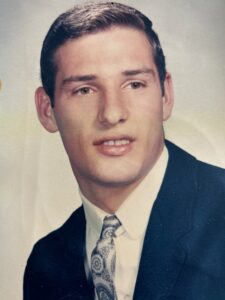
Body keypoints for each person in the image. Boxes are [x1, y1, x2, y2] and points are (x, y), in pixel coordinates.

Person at [23, 2, 225, 300]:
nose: (112, 113)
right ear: (47, 110)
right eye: (84, 90)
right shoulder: (45, 263)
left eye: (134, 84)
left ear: (166, 94)